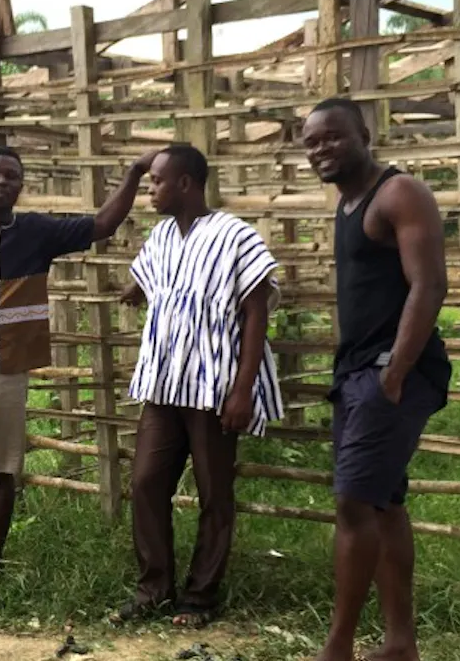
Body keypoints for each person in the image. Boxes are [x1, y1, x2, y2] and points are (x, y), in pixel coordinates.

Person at [0, 145, 156, 575]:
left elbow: (102, 225)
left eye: (10, 176)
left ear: (22, 186)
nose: (0, 182)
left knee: (3, 470)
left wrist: (134, 172)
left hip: (9, 373)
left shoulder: (36, 233)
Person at [303, 99, 451, 661]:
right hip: (359, 373)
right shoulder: (348, 205)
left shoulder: (399, 193)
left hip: (391, 372)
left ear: (365, 134)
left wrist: (394, 375)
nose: (321, 150)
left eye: (332, 138)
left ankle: (337, 647)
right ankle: (399, 645)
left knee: (353, 507)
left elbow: (429, 286)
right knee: (384, 505)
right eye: (311, 143)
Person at [112, 143, 283, 628]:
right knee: (146, 482)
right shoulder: (163, 235)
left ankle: (200, 597)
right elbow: (158, 277)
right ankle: (154, 587)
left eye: (157, 182)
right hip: (165, 383)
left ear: (185, 183)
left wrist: (242, 388)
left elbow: (256, 312)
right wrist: (137, 289)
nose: (151, 191)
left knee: (214, 494)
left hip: (213, 386)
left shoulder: (235, 236)